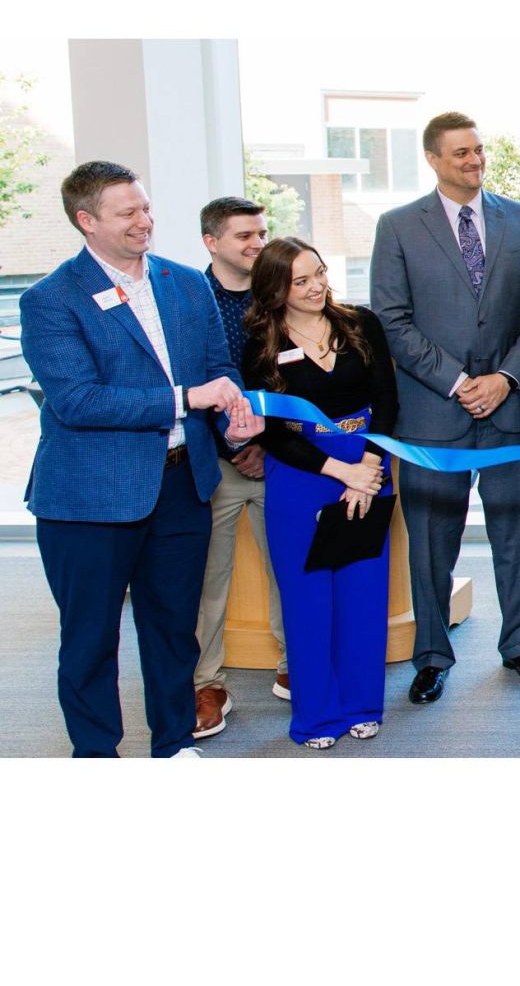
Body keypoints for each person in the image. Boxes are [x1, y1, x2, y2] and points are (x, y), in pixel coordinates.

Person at [23, 161, 262, 757]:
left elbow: (217, 369)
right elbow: (77, 400)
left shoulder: (186, 283)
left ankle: (175, 748)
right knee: (90, 641)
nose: (145, 221)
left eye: (146, 207)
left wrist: (234, 412)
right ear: (87, 221)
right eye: (127, 213)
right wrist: (187, 399)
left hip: (183, 487)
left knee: (173, 633)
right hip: (87, 499)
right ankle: (97, 759)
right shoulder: (50, 300)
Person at [372, 111, 520, 705]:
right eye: (460, 153)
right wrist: (458, 382)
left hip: (507, 410)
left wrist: (505, 378)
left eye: (478, 150)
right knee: (430, 540)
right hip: (432, 413)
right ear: (432, 158)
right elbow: (391, 321)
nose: (474, 161)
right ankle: (431, 656)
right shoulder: (398, 227)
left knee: (516, 534)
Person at [242, 238, 398, 749]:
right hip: (301, 477)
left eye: (320, 274)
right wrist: (339, 471)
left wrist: (368, 470)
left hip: (368, 468)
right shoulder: (259, 342)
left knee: (363, 593)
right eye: (300, 281)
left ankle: (362, 705)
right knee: (308, 601)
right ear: (275, 289)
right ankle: (316, 716)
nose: (316, 288)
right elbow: (269, 431)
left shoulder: (361, 324)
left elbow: (387, 404)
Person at [193, 195, 288, 739]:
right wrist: (235, 447)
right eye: (243, 236)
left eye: (261, 233)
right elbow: (192, 380)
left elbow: (295, 379)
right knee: (209, 579)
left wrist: (266, 442)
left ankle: (294, 666)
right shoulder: (188, 297)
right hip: (215, 462)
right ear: (211, 242)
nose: (256, 244)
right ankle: (207, 682)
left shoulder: (279, 294)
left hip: (281, 458)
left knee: (290, 567)